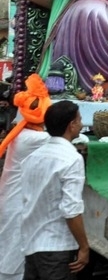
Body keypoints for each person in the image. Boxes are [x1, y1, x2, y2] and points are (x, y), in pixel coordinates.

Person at [19, 100, 88, 280]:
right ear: (71, 125)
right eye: (79, 120)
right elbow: (71, 210)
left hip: (32, 243)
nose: (81, 124)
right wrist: (84, 246)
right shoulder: (71, 159)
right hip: (56, 247)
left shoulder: (33, 157)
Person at [0, 74, 52, 280]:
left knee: (9, 244)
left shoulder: (22, 133)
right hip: (15, 202)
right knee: (12, 249)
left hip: (11, 197)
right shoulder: (33, 138)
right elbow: (62, 140)